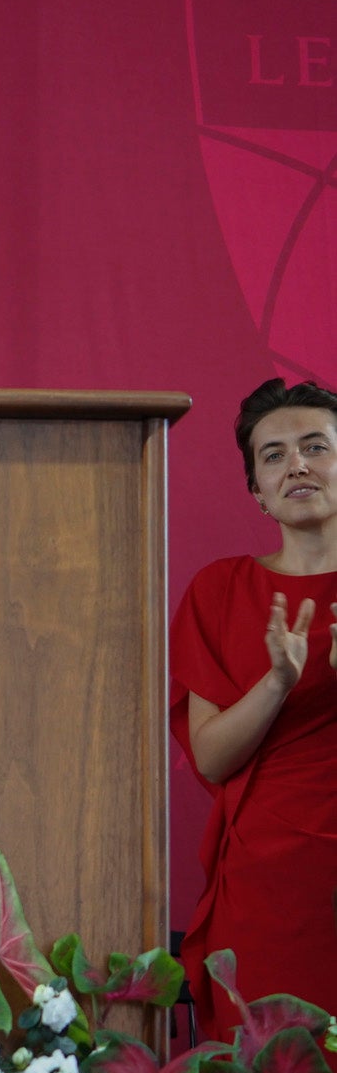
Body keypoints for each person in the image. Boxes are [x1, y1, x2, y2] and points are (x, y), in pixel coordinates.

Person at [172, 377, 337, 1034]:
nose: (295, 464)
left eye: (314, 446)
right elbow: (211, 757)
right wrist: (277, 682)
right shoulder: (221, 590)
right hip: (269, 884)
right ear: (257, 492)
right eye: (273, 455)